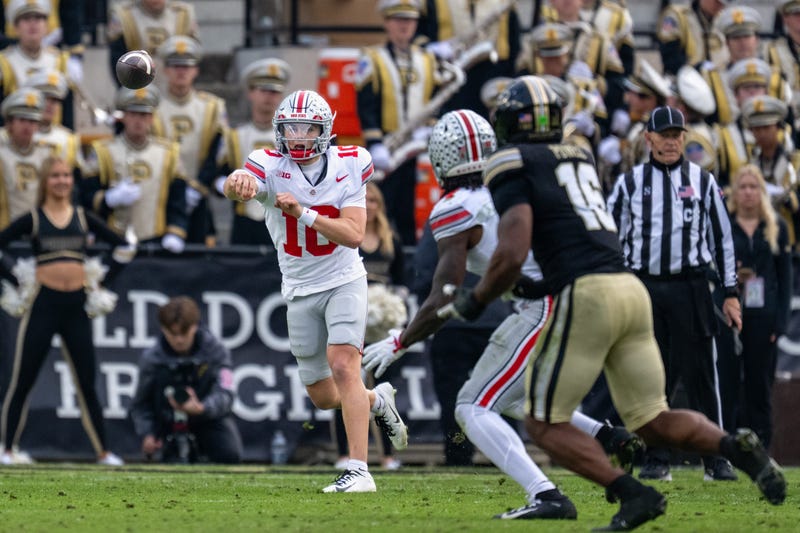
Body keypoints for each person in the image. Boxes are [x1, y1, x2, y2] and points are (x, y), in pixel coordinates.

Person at [439, 75, 786, 530]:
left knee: (543, 422)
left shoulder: (510, 160)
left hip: (589, 295)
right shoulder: (578, 154)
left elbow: (513, 248)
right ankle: (733, 447)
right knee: (653, 418)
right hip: (630, 289)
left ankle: (633, 494)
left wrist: (477, 298)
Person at [364, 109, 641, 519]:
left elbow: (444, 295)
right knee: (514, 397)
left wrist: (402, 340)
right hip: (584, 296)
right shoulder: (514, 189)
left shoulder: (456, 207)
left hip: (544, 304)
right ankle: (610, 437)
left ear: (441, 159)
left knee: (471, 406)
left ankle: (545, 494)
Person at [223, 89, 408, 493]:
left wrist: (303, 213)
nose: (299, 137)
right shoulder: (268, 164)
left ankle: (358, 470)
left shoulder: (350, 163)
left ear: (324, 131)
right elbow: (240, 185)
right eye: (291, 128)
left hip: (344, 279)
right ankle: (376, 401)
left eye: (307, 129)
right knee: (325, 396)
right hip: (299, 288)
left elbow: (355, 234)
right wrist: (235, 182)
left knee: (344, 366)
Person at [607, 105, 742, 482]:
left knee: (702, 373)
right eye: (662, 135)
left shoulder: (703, 181)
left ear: (685, 137)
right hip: (644, 286)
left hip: (691, 285)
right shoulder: (630, 183)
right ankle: (656, 456)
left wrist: (730, 292)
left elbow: (722, 240)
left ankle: (715, 456)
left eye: (676, 135)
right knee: (651, 376)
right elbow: (607, 236)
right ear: (647, 138)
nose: (670, 141)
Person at [0, 155, 136, 465]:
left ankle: (103, 452)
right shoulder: (34, 218)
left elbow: (124, 246)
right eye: (55, 176)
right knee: (24, 378)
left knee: (87, 381)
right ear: (45, 182)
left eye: (66, 176)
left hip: (76, 306)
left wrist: (101, 283)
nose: (61, 181)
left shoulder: (83, 217)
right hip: (43, 304)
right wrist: (17, 282)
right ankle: (7, 449)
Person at [355, 0, 444, 245]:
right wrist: (375, 143)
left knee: (407, 207)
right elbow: (366, 103)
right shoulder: (372, 58)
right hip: (387, 147)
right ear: (386, 23)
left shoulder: (428, 58)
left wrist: (429, 127)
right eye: (398, 20)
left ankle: (405, 257)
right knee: (383, 205)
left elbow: (437, 99)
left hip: (413, 145)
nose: (405, 26)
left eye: (410, 20)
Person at [716, 165, 792, 449]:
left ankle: (763, 448)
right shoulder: (725, 225)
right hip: (731, 313)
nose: (748, 192)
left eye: (754, 187)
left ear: (761, 192)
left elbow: (786, 278)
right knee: (729, 382)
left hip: (764, 314)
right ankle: (730, 447)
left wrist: (780, 322)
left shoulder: (776, 227)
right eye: (744, 186)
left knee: (760, 384)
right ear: (736, 192)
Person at [334, 182, 405, 471]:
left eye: (375, 201)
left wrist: (393, 307)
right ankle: (345, 453)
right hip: (351, 312)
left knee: (382, 385)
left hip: (380, 321)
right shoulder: (347, 233)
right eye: (367, 200)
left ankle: (386, 456)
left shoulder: (392, 240)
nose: (371, 206)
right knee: (345, 381)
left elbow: (401, 282)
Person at [129, 296, 242, 464]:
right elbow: (140, 403)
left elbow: (226, 392)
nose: (179, 340)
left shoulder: (216, 351)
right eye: (172, 334)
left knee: (229, 455)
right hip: (166, 421)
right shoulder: (152, 358)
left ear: (195, 326)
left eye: (184, 333)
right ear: (163, 329)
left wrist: (202, 408)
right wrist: (148, 434)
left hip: (207, 418)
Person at [81, 85, 189, 251]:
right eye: (133, 114)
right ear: (123, 117)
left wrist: (175, 231)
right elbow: (85, 195)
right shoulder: (103, 151)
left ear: (152, 118)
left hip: (154, 239)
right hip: (112, 239)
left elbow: (177, 199)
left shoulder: (168, 153)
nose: (138, 121)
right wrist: (108, 199)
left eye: (144, 115)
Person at [153, 35, 228, 247]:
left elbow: (218, 152)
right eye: (175, 66)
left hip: (199, 197)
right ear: (166, 69)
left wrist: (198, 187)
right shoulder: (152, 106)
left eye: (187, 66)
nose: (181, 71)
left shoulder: (212, 107)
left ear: (196, 70)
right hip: (161, 199)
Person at [215, 57, 291, 246]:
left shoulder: (292, 138)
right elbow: (216, 172)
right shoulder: (233, 136)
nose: (269, 97)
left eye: (275, 91)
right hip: (244, 222)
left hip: (284, 220)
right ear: (250, 93)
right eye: (264, 90)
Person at [0, 0, 76, 128]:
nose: (33, 24)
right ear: (16, 27)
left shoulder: (59, 60)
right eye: (26, 19)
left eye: (39, 18)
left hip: (53, 138)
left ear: (46, 26)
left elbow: (67, 110)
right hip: (18, 137)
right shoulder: (4, 61)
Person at [106, 0, 199, 86]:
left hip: (176, 86)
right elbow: (118, 60)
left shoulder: (183, 13)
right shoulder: (124, 15)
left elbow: (193, 59)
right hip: (138, 86)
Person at [0, 87, 55, 229]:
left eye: (32, 121)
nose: (27, 126)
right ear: (9, 124)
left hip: (39, 230)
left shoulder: (47, 155)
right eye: (22, 119)